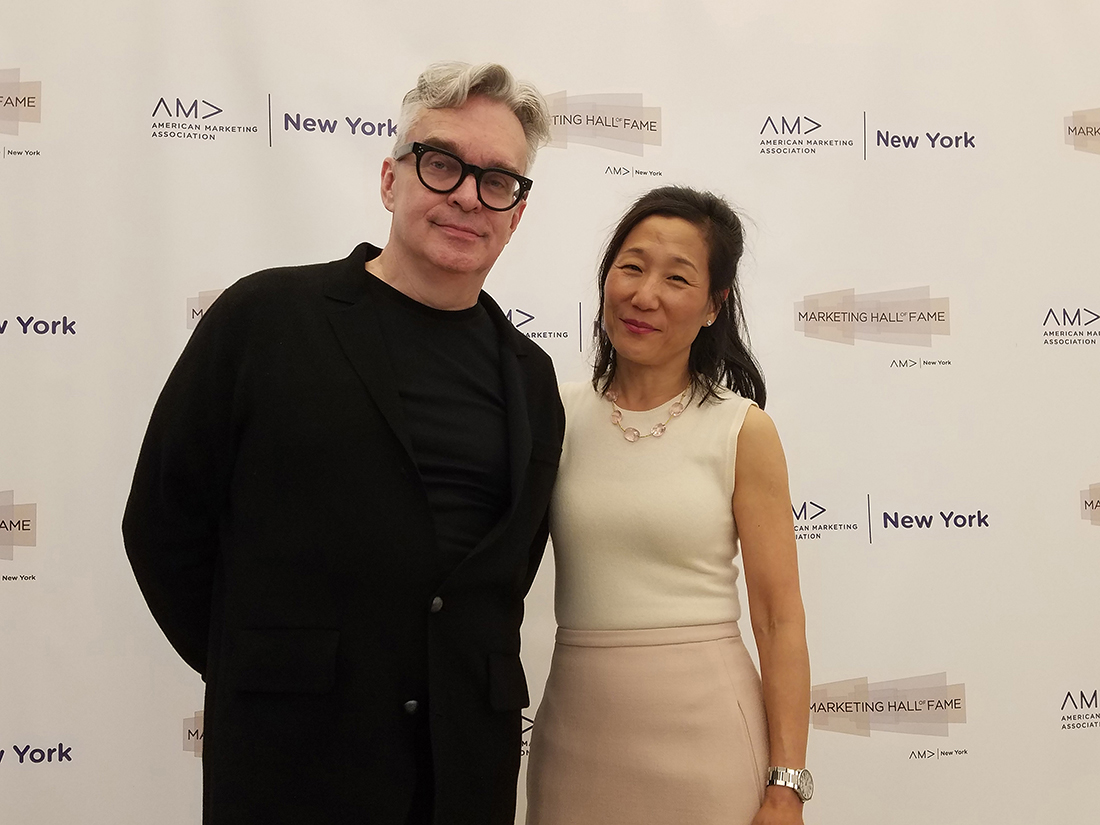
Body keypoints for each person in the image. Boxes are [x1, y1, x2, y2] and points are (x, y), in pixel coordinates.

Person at [122, 62, 565, 825]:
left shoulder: (531, 377)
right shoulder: (264, 319)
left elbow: (504, 570)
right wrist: (265, 667)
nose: (468, 195)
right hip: (290, 763)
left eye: (497, 180)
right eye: (442, 164)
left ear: (517, 213)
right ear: (391, 179)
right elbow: (164, 524)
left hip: (463, 770)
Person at [525, 186, 811, 825]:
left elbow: (778, 618)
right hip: (575, 736)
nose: (644, 295)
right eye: (631, 267)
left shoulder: (741, 429)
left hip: (708, 741)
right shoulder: (553, 414)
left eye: (677, 278)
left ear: (714, 305)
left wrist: (786, 785)